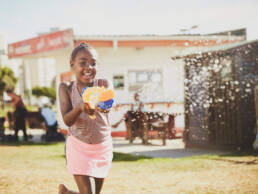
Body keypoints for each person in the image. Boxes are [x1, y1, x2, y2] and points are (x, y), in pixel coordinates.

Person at [58, 43, 113, 194]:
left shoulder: (103, 84)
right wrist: (80, 107)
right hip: (78, 146)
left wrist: (101, 104)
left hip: (102, 147)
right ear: (72, 64)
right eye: (83, 63)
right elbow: (67, 120)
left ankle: (67, 193)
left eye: (93, 63)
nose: (89, 67)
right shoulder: (66, 88)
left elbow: (108, 103)